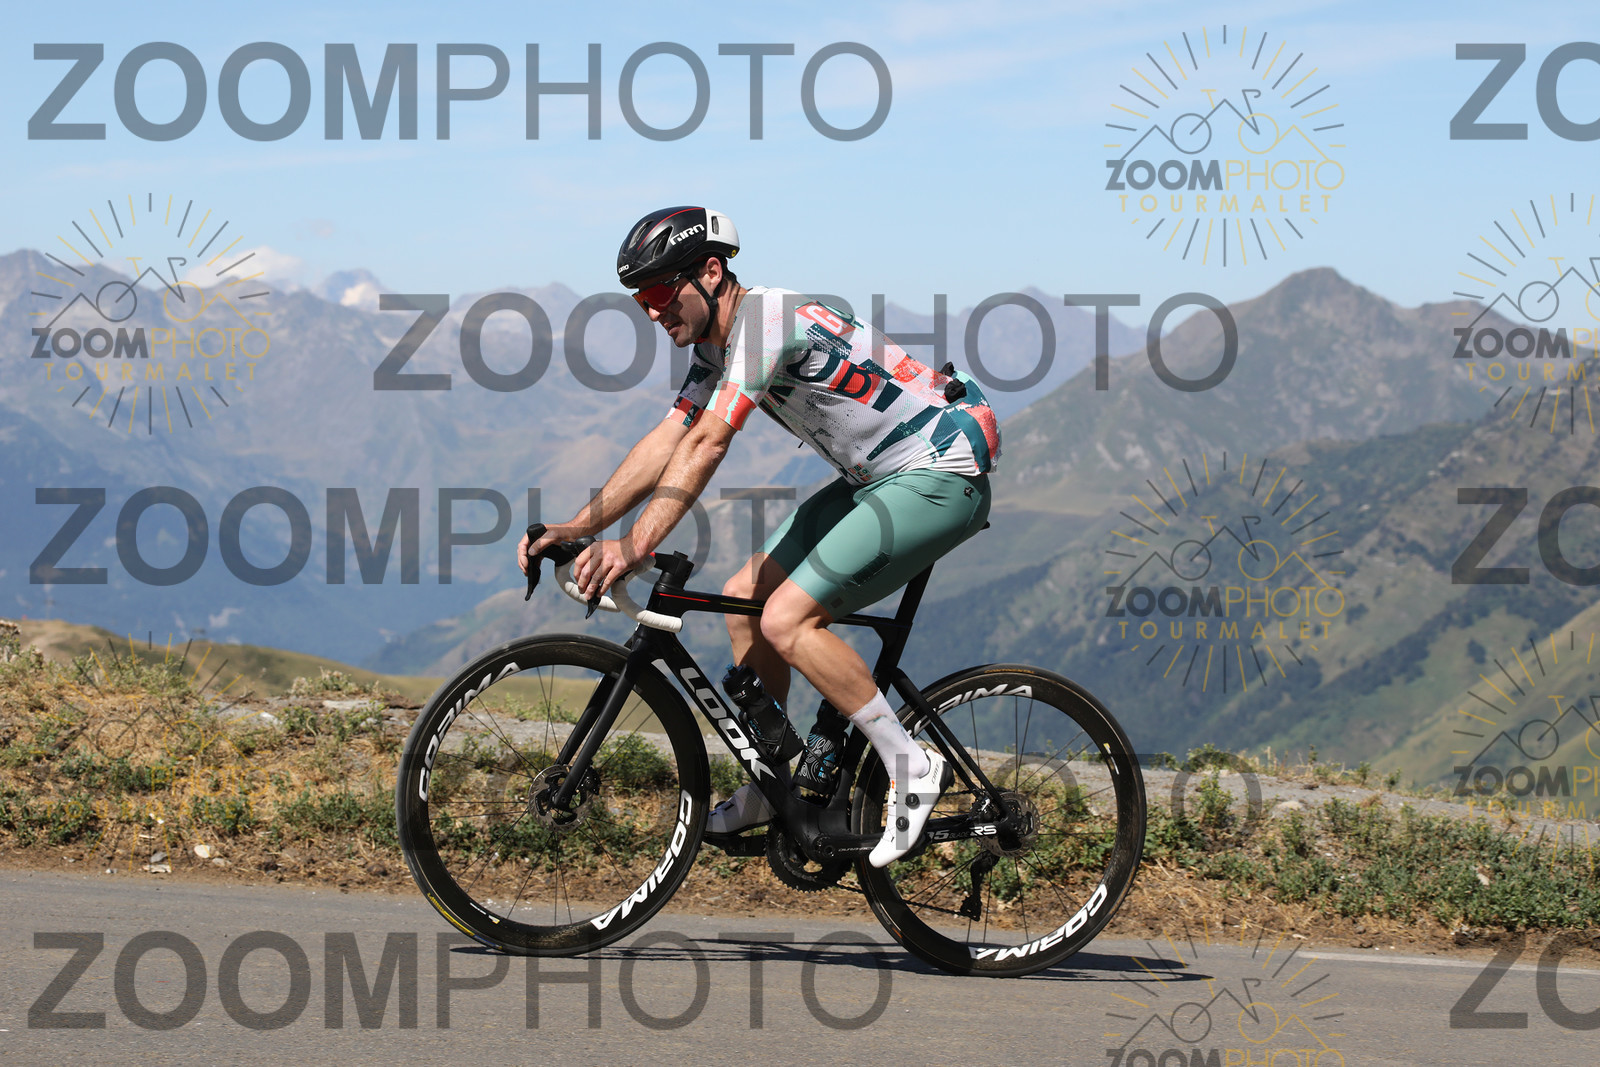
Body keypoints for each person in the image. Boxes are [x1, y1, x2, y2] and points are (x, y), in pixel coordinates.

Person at [517, 206, 1000, 867]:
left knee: (787, 619)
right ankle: (775, 786)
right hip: (879, 477)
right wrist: (577, 527)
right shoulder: (716, 347)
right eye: (640, 300)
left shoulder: (769, 322)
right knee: (745, 597)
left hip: (941, 472)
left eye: (659, 292)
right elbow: (671, 438)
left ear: (712, 273)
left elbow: (709, 442)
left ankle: (910, 765)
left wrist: (633, 546)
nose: (652, 312)